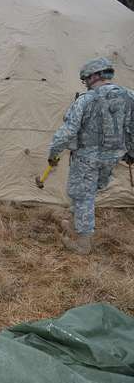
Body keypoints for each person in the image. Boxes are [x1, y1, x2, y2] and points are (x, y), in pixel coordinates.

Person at [48, 57, 134, 254]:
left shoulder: (86, 100)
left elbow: (68, 132)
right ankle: (76, 225)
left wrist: (53, 153)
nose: (85, 82)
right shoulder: (129, 96)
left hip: (87, 158)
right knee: (86, 192)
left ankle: (83, 244)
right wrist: (131, 152)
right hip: (112, 157)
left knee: (83, 196)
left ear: (95, 75)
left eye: (86, 78)